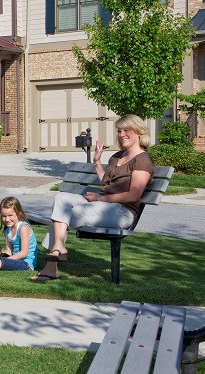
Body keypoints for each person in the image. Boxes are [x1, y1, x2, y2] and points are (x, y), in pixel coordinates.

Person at [31, 114, 155, 281]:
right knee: (62, 198)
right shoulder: (117, 157)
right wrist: (97, 162)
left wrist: (100, 198)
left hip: (122, 212)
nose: (122, 134)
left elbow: (134, 195)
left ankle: (51, 266)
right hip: (104, 206)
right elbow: (107, 183)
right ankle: (59, 247)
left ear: (139, 132)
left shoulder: (142, 160)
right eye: (119, 131)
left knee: (62, 216)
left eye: (127, 130)